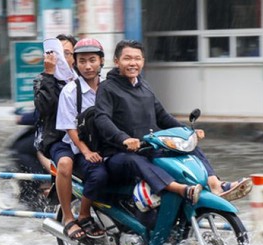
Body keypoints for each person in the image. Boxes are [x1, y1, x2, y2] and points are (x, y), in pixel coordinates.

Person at [94, 39, 252, 204]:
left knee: (190, 145)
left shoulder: (144, 86)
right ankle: (181, 190)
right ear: (117, 61)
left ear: (143, 61)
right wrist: (123, 139)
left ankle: (215, 184)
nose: (133, 63)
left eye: (137, 58)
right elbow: (102, 118)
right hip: (119, 155)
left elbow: (162, 116)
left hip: (149, 147)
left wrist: (187, 133)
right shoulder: (107, 88)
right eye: (127, 58)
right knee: (135, 160)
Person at [54, 38, 108, 240]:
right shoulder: (70, 91)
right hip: (76, 147)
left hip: (103, 144)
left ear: (101, 61)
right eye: (82, 61)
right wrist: (86, 151)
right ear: (75, 63)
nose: (88, 66)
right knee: (93, 173)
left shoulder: (109, 87)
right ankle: (76, 216)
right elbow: (70, 127)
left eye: (92, 60)